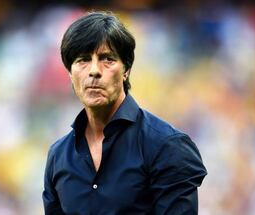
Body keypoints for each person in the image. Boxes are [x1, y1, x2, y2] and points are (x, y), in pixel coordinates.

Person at [42, 11, 207, 215]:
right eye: (83, 60)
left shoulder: (167, 146)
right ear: (70, 72)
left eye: (107, 59)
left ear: (126, 69)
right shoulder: (58, 156)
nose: (94, 70)